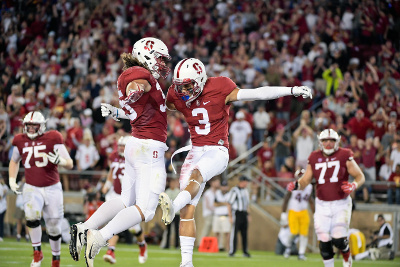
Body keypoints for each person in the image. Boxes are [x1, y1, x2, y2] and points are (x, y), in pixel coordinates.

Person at [158, 57, 312, 267]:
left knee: (196, 175)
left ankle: (172, 207)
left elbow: (257, 93)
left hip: (217, 150)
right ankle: (186, 263)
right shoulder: (175, 94)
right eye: (180, 86)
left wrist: (292, 90)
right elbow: (156, 108)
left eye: (188, 85)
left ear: (201, 79)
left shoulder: (220, 86)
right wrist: (124, 113)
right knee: (188, 212)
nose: (184, 91)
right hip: (195, 149)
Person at [69, 37, 171, 267]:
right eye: (160, 58)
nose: (163, 64)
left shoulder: (137, 74)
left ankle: (85, 228)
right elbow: (137, 86)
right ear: (146, 54)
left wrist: (118, 111)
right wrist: (135, 92)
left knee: (126, 201)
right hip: (149, 148)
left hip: (137, 144)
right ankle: (100, 237)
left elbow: (136, 110)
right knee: (146, 210)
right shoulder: (138, 74)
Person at [287, 128, 365, 267]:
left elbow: (360, 176)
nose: (328, 143)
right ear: (320, 142)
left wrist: (353, 185)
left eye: (331, 140)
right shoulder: (314, 157)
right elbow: (305, 180)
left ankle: (347, 254)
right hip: (322, 204)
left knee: (339, 240)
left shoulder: (344, 154)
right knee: (323, 241)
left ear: (337, 141)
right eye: (325, 140)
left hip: (341, 203)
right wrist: (296, 185)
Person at [8, 111, 73, 267]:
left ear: (41, 126)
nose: (30, 128)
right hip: (32, 186)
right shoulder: (19, 140)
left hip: (52, 187)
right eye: (28, 125)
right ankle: (37, 253)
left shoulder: (53, 137)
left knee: (54, 226)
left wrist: (61, 161)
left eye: (33, 125)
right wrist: (12, 178)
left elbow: (70, 163)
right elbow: (14, 161)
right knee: (31, 216)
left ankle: (56, 258)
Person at [101, 136, 148, 264]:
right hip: (114, 194)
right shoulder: (114, 156)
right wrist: (106, 187)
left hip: (128, 196)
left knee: (134, 229)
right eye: (120, 145)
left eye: (124, 146)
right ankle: (110, 251)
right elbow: (112, 172)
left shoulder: (135, 159)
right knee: (113, 223)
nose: (121, 148)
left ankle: (142, 245)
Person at [281, 169, 314, 260]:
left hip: (304, 211)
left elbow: (311, 201)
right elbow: (286, 199)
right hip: (293, 211)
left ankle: (301, 253)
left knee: (304, 234)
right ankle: (287, 248)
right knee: (293, 232)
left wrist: (315, 213)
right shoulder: (292, 185)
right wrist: (283, 213)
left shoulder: (309, 187)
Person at [227, 176, 251, 257]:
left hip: (244, 213)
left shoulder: (246, 191)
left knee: (244, 233)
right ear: (242, 181)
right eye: (246, 181)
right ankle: (232, 251)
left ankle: (245, 251)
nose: (247, 183)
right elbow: (229, 203)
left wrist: (248, 214)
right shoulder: (234, 190)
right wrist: (230, 216)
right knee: (234, 232)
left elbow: (247, 204)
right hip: (237, 213)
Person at [212, 179, 231, 252]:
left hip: (226, 215)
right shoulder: (217, 193)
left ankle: (227, 248)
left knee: (227, 232)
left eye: (225, 186)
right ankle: (217, 247)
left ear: (227, 187)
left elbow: (229, 204)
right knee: (217, 232)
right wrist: (224, 203)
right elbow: (215, 204)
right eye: (223, 186)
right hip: (217, 215)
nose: (224, 188)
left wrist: (220, 203)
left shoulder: (230, 194)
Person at [163, 178, 180, 249]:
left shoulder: (178, 192)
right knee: (168, 230)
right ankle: (167, 244)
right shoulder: (167, 191)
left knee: (176, 230)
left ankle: (176, 245)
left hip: (176, 213)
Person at [0, 177, 8, 242]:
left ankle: (1, 235)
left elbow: (1, 196)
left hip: (2, 207)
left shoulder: (4, 186)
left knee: (1, 222)